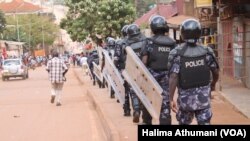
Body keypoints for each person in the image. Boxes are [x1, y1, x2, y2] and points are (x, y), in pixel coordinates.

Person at [168, 19, 219, 125]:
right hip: (204, 99)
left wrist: (171, 98)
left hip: (185, 101)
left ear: (182, 34)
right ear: (199, 33)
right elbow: (216, 71)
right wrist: (213, 84)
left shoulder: (177, 53)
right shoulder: (207, 52)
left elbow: (173, 76)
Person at [141, 15, 176, 125]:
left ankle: (147, 122)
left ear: (152, 28)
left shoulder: (148, 41)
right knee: (165, 105)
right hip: (167, 77)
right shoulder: (173, 43)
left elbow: (144, 62)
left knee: (148, 100)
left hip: (151, 77)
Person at [122, 24, 147, 123]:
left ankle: (136, 110)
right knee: (145, 92)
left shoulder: (126, 43)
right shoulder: (145, 41)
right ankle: (145, 116)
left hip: (132, 71)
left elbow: (124, 58)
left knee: (134, 92)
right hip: (144, 71)